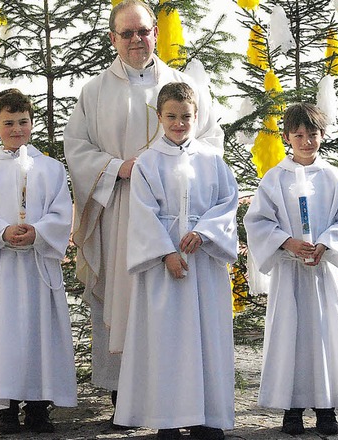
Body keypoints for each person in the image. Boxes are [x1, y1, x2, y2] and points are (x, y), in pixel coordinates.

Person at [63, 0, 223, 424]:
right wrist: (119, 168)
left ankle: (183, 392)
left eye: (143, 31)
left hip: (180, 218)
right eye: (126, 33)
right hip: (119, 210)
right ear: (113, 38)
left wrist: (172, 169)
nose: (136, 40)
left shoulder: (184, 84)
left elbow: (211, 140)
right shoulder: (95, 91)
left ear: (156, 32)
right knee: (122, 296)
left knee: (175, 306)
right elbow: (77, 148)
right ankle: (125, 394)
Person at [113, 82, 238, 440]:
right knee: (165, 343)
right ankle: (167, 419)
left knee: (205, 340)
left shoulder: (213, 160)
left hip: (204, 264)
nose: (179, 123)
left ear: (196, 116)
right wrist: (166, 252)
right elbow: (141, 212)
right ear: (159, 117)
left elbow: (226, 204)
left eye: (186, 116)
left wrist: (206, 233)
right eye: (171, 116)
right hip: (164, 270)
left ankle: (206, 417)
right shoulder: (148, 162)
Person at [0, 88, 77, 434]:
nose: (16, 129)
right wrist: (2, 232)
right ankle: (7, 409)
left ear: (32, 123)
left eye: (23, 121)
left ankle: (40, 409)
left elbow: (62, 210)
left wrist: (39, 232)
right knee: (5, 337)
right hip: (4, 269)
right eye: (8, 122)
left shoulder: (51, 168)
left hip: (39, 267)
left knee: (41, 335)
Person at [243, 103, 338, 436]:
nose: (306, 141)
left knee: (323, 337)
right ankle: (291, 409)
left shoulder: (335, 178)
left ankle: (326, 409)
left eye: (312, 134)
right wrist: (286, 242)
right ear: (286, 137)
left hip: (320, 273)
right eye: (299, 135)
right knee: (289, 337)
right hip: (289, 271)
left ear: (322, 135)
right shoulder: (274, 178)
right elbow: (257, 221)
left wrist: (324, 243)